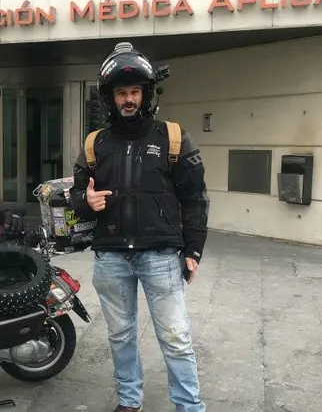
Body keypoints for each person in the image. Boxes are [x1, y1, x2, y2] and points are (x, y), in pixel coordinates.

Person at [70, 42, 209, 412]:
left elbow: (195, 198)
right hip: (112, 258)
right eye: (121, 93)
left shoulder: (173, 138)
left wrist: (193, 251)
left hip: (161, 256)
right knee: (120, 335)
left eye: (134, 92)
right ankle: (129, 402)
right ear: (110, 98)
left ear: (146, 94)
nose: (128, 99)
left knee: (176, 338)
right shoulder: (94, 144)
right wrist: (87, 202)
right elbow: (75, 196)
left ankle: (189, 406)